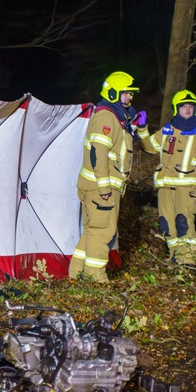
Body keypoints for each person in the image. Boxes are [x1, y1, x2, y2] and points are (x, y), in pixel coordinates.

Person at [70, 71, 155, 283]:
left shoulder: (118, 117)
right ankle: (95, 278)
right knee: (103, 233)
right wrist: (105, 187)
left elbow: (135, 146)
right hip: (100, 187)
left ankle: (76, 273)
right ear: (112, 93)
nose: (129, 97)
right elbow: (98, 153)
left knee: (92, 232)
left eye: (131, 94)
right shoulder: (107, 117)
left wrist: (138, 127)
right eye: (125, 93)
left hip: (95, 186)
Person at [149, 89, 196, 266]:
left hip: (187, 186)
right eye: (183, 106)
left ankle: (188, 261)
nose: (188, 109)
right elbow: (149, 146)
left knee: (183, 222)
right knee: (166, 225)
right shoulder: (167, 129)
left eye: (191, 106)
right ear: (176, 108)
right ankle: (175, 258)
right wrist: (141, 129)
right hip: (165, 186)